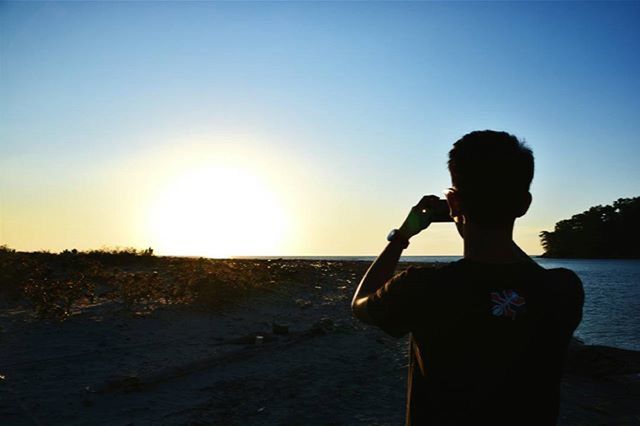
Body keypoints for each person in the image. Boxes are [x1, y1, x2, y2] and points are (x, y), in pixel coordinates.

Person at [351, 130, 584, 425]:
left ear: (454, 203)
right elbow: (525, 273)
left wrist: (401, 237)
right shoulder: (564, 289)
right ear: (525, 204)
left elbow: (360, 305)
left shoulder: (423, 287)